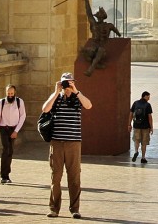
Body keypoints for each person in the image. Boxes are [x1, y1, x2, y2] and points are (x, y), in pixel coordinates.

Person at [41, 72, 92, 219]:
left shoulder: (77, 98)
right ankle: (54, 209)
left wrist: (76, 90)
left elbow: (89, 105)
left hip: (73, 143)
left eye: (69, 83)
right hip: (57, 143)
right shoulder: (56, 98)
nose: (67, 86)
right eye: (65, 83)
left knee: (74, 177)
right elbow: (45, 109)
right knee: (55, 177)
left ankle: (75, 209)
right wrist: (56, 91)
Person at [80, 0, 122, 76]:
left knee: (100, 50)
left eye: (98, 14)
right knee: (85, 51)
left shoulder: (109, 26)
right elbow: (88, 12)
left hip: (102, 51)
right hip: (94, 48)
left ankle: (90, 70)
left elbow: (118, 33)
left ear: (100, 16)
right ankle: (98, 65)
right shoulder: (94, 24)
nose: (96, 16)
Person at [0, 84, 26, 184]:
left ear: (15, 93)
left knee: (10, 151)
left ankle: (7, 174)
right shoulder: (1, 103)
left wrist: (16, 131)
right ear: (6, 93)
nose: (10, 95)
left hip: (14, 128)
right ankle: (4, 175)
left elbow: (23, 116)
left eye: (12, 93)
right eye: (8, 93)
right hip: (4, 128)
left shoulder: (20, 102)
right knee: (6, 149)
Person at [129, 91, 154, 164]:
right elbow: (150, 117)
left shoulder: (135, 103)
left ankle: (136, 151)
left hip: (136, 126)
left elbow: (130, 114)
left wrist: (129, 124)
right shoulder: (147, 105)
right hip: (145, 127)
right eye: (148, 96)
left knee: (136, 140)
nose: (149, 98)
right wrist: (151, 127)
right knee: (144, 143)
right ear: (145, 96)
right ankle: (143, 158)